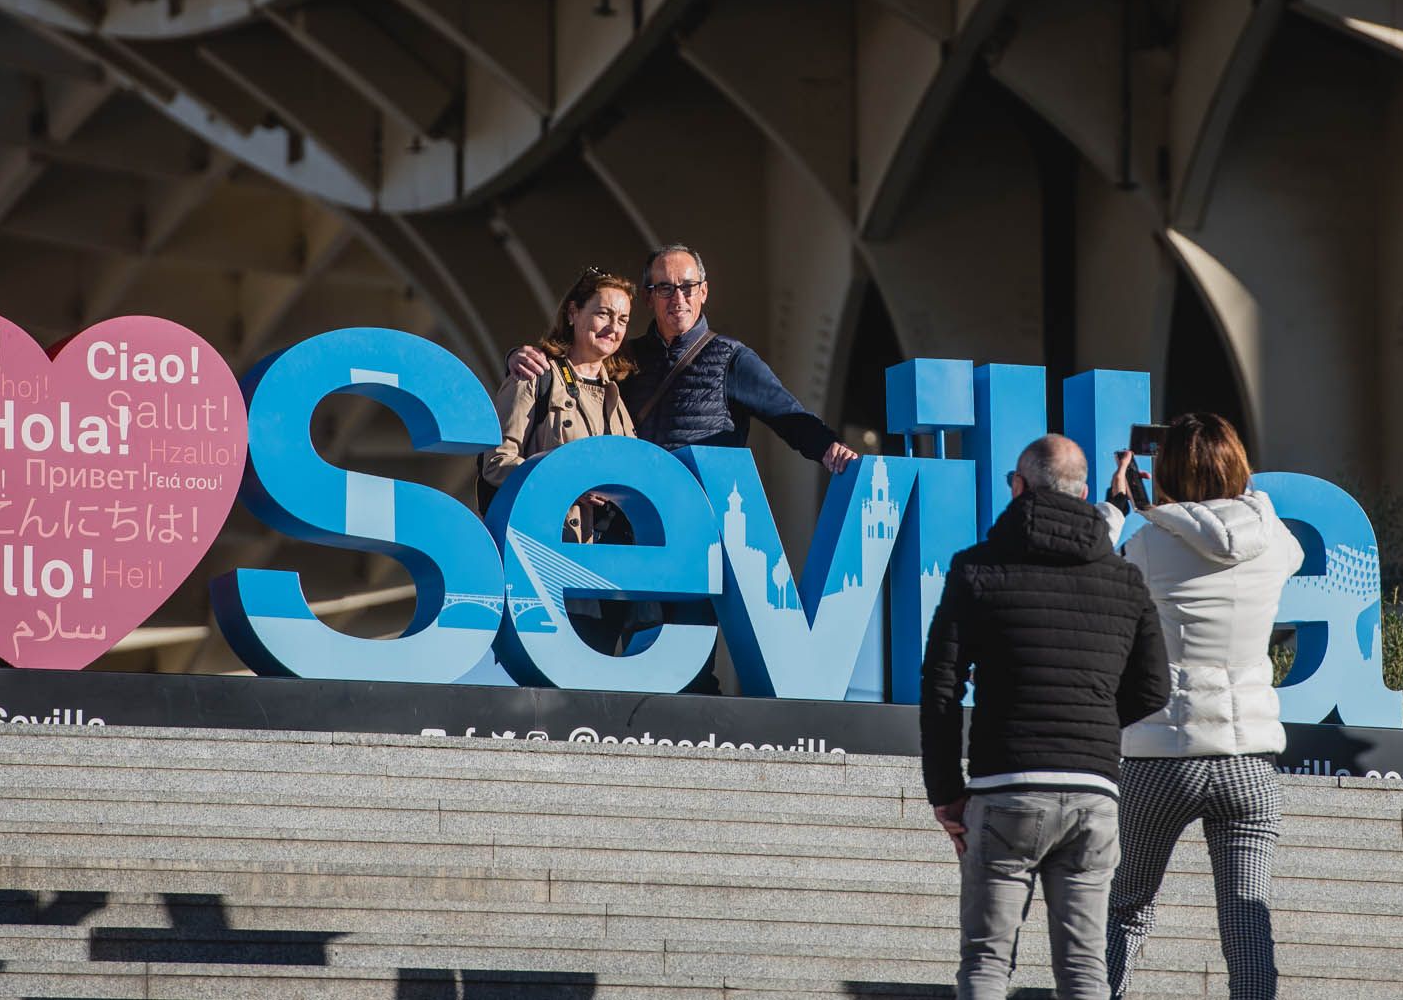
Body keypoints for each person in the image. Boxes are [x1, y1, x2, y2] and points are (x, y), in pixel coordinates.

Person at [921, 435, 1170, 1000]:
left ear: (1018, 486)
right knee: (1085, 972)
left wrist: (945, 791)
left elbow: (941, 687)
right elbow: (1155, 687)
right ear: (1084, 492)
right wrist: (1096, 721)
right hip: (1093, 791)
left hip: (1005, 787)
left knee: (986, 964)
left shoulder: (976, 568)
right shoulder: (1123, 579)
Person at [1103, 413, 1303, 1000]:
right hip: (1250, 758)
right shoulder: (1276, 539)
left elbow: (1112, 584)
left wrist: (1130, 502)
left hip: (1161, 753)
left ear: (1163, 472)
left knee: (1127, 906)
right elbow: (1253, 532)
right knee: (1246, 919)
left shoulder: (1146, 542)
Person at [507, 243, 855, 475]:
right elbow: (576, 366)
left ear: (703, 291)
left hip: (702, 518)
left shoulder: (730, 358)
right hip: (634, 520)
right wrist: (519, 357)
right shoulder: (625, 357)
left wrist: (829, 449)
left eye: (687, 286)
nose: (678, 298)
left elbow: (788, 416)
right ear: (648, 298)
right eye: (664, 288)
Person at [482, 269, 642, 654]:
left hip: (611, 573)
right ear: (573, 312)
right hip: (550, 565)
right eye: (603, 314)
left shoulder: (620, 396)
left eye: (623, 320)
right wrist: (564, 482)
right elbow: (496, 464)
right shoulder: (533, 376)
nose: (613, 328)